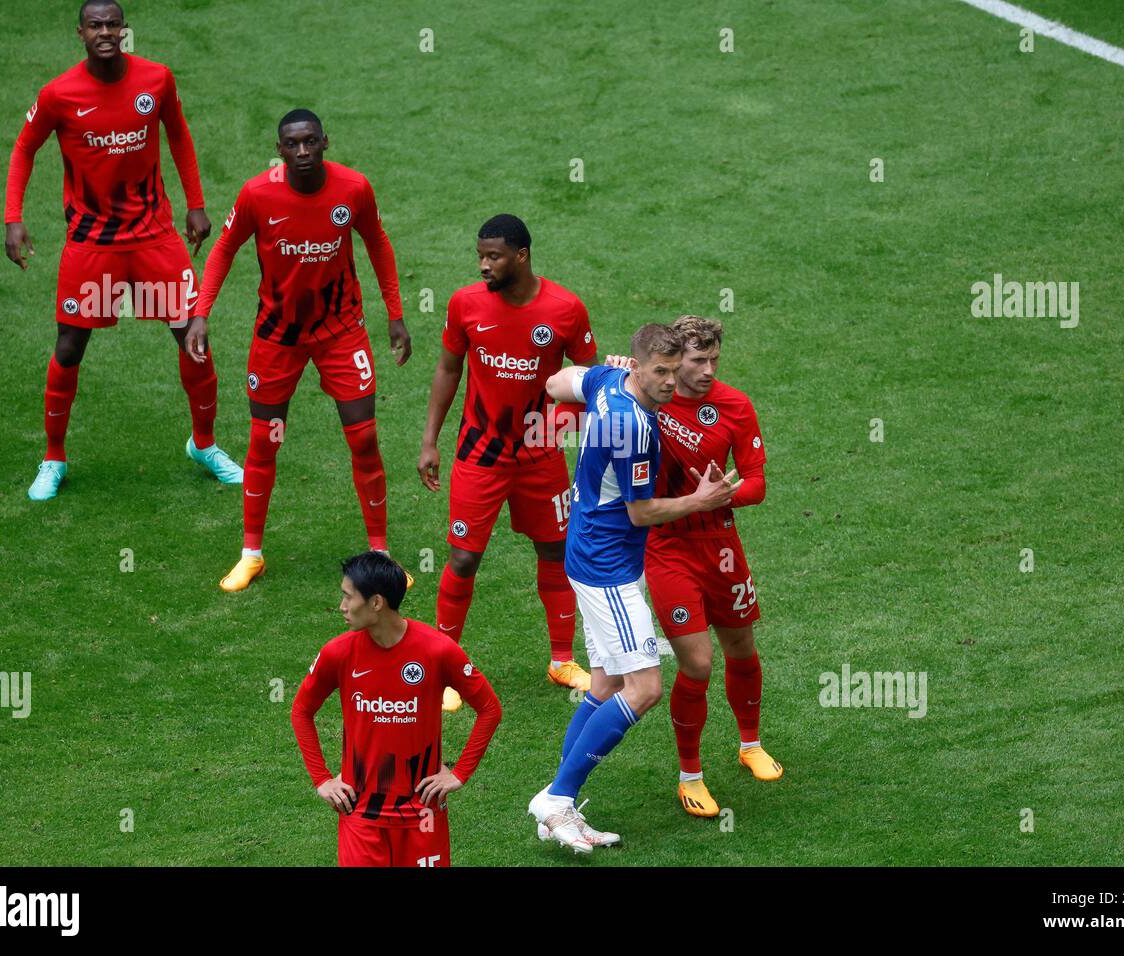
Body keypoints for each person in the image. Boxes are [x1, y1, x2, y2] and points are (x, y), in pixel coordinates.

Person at [5, 0, 241, 501]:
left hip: (155, 238)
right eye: (96, 25)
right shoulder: (58, 94)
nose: (106, 32)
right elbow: (25, 148)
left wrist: (196, 205)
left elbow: (178, 133)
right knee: (70, 346)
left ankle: (204, 445)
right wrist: (13, 219)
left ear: (124, 30)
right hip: (92, 243)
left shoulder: (156, 79)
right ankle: (54, 457)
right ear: (80, 33)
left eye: (114, 24)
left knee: (193, 338)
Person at [526, 325, 738, 853]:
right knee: (643, 689)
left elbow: (555, 383)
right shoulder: (634, 428)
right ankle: (556, 799)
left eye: (674, 371)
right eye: (660, 372)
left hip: (586, 545)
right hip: (608, 565)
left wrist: (610, 374)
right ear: (641, 367)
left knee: (602, 684)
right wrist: (702, 499)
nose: (670, 382)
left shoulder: (608, 382)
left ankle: (560, 801)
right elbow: (642, 511)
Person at [187, 109, 412, 592]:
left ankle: (381, 554)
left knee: (364, 439)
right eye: (294, 144)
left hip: (341, 332)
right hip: (277, 337)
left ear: (325, 141)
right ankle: (251, 554)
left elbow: (378, 243)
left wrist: (394, 315)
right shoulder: (257, 194)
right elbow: (225, 247)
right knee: (264, 441)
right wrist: (202, 312)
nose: (304, 151)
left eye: (311, 141)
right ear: (281, 148)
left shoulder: (353, 189)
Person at [417, 215, 595, 711]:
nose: (483, 265)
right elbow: (448, 368)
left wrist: (565, 433)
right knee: (462, 557)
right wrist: (430, 441)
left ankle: (561, 660)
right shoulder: (465, 304)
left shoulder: (566, 310)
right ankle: (445, 666)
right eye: (480, 255)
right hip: (480, 454)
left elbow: (587, 381)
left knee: (556, 552)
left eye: (493, 256)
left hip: (541, 457)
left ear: (521, 255)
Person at [643, 315, 781, 818]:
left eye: (714, 360)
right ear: (674, 360)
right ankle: (690, 775)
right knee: (697, 663)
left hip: (721, 545)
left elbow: (757, 485)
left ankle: (750, 745)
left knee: (741, 646)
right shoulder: (647, 400)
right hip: (667, 547)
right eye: (698, 361)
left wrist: (715, 497)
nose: (707, 370)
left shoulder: (735, 405)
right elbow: (569, 395)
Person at [291, 552, 501, 867]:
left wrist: (460, 774)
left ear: (376, 603)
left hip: (423, 814)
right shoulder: (338, 654)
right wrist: (322, 779)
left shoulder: (438, 650)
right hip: (360, 813)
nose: (342, 607)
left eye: (349, 597)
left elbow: (489, 708)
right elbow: (301, 711)